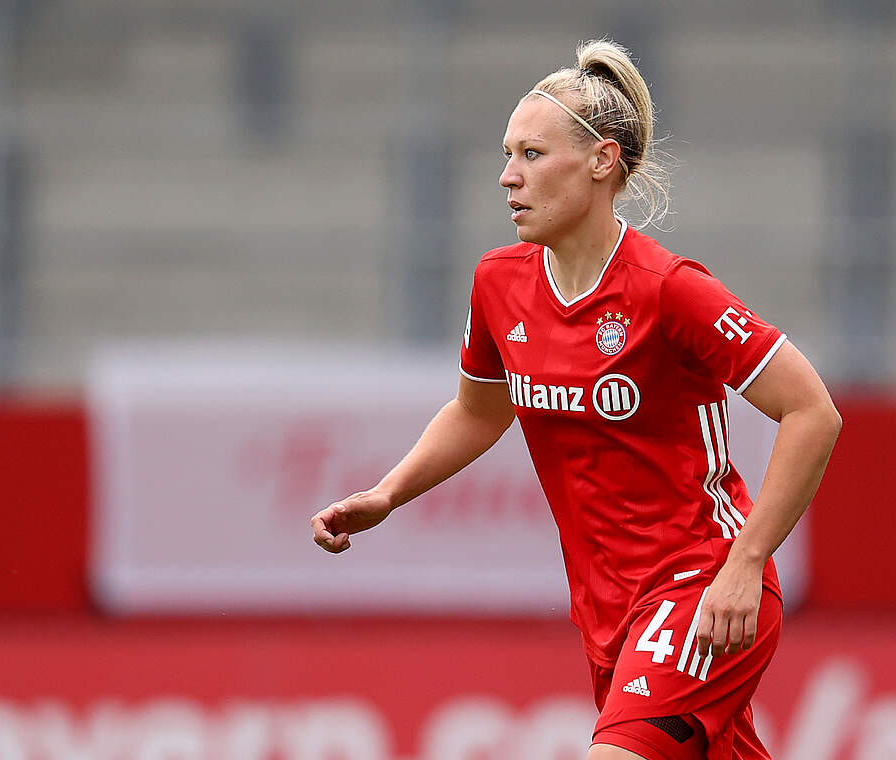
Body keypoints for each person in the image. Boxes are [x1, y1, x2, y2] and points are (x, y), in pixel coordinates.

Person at [311, 39, 842, 760]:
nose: (507, 176)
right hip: (606, 607)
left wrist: (746, 563)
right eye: (507, 155)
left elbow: (812, 410)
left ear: (602, 161)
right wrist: (388, 494)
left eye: (532, 154)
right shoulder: (499, 283)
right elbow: (479, 410)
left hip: (699, 584)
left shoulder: (669, 289)